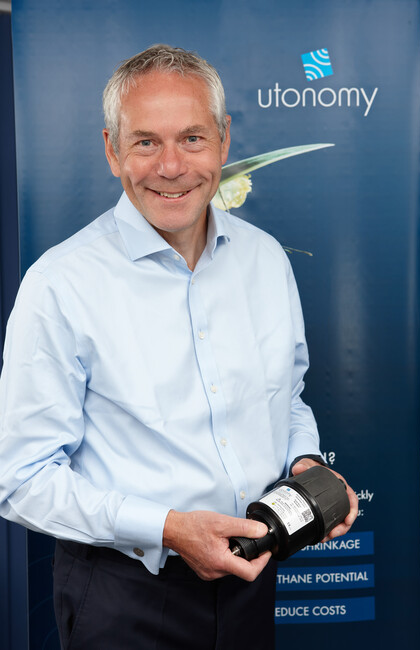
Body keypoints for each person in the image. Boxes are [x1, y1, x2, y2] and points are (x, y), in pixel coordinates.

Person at [0, 44, 358, 649]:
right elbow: (21, 478)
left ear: (223, 140)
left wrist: (303, 463)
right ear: (112, 150)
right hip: (125, 598)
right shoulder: (60, 284)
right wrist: (167, 529)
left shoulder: (266, 260)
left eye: (192, 139)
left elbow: (287, 397)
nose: (171, 167)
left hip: (252, 581)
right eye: (146, 142)